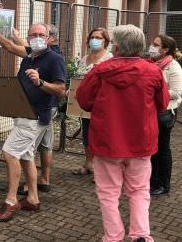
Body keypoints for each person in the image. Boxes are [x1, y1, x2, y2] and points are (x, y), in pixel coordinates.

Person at [77, 24, 169, 242]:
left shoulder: (100, 71)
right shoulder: (153, 71)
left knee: (108, 193)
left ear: (116, 47)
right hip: (140, 142)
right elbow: (163, 103)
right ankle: (141, 235)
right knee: (139, 191)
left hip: (108, 142)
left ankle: (113, 236)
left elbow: (83, 100)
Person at [0, 23, 66, 221]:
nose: (38, 37)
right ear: (28, 38)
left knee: (10, 152)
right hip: (22, 114)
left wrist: (40, 82)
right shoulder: (29, 57)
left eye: (41, 34)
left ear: (48, 38)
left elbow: (60, 90)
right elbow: (19, 88)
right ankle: (33, 198)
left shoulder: (54, 59)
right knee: (26, 156)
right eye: (33, 35)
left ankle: (11, 200)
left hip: (36, 117)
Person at [72, 28, 113, 176]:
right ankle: (88, 163)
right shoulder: (84, 59)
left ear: (105, 41)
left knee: (101, 136)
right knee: (87, 134)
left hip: (102, 104)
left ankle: (101, 169)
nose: (94, 40)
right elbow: (77, 80)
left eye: (98, 37)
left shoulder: (110, 59)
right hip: (85, 104)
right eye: (92, 37)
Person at [148, 35, 182, 196]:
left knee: (162, 149)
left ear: (165, 49)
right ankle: (152, 180)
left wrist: (154, 90)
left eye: (155, 45)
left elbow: (176, 93)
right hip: (151, 111)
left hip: (165, 113)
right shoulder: (152, 63)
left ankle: (163, 184)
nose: (151, 47)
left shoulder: (173, 67)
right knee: (152, 149)